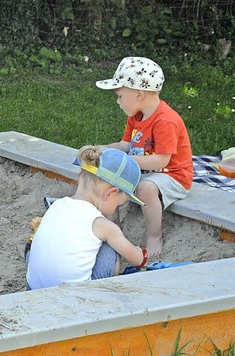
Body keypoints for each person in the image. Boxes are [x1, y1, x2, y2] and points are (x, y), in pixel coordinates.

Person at [93, 57, 193, 257]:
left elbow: (161, 161)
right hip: (145, 171)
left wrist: (127, 161)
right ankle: (113, 228)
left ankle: (154, 236)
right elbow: (125, 145)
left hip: (172, 176)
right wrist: (101, 150)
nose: (118, 101)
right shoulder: (136, 117)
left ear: (138, 94)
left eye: (120, 96)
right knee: (107, 177)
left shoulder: (166, 121)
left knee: (145, 187)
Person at [26, 147, 148, 290]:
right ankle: (106, 291)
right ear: (110, 193)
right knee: (110, 245)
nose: (116, 208)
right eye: (118, 204)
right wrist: (140, 252)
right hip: (76, 299)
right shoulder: (100, 224)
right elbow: (138, 260)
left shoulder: (55, 206)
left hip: (34, 290)